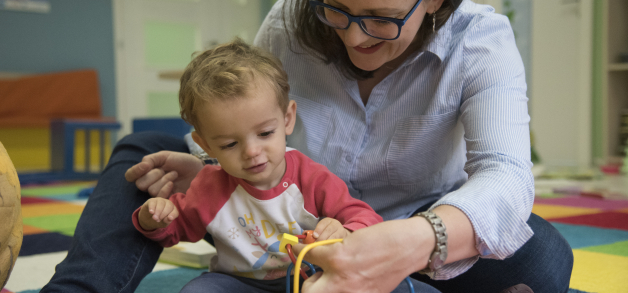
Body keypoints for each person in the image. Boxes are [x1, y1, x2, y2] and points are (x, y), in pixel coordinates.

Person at [42, 0, 574, 292]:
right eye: (335, 10)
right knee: (142, 152)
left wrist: (412, 240)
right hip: (291, 223)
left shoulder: (480, 38)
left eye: (380, 18)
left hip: (416, 230)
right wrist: (209, 164)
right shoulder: (289, 20)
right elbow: (247, 113)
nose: (353, 37)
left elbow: (506, 174)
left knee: (545, 259)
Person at [132, 38, 386, 292]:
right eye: (230, 144)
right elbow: (178, 229)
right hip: (237, 282)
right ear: (205, 145)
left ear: (287, 119)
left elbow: (365, 218)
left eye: (265, 133)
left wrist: (345, 231)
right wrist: (154, 217)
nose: (252, 152)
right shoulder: (209, 186)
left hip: (306, 280)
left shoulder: (311, 177)